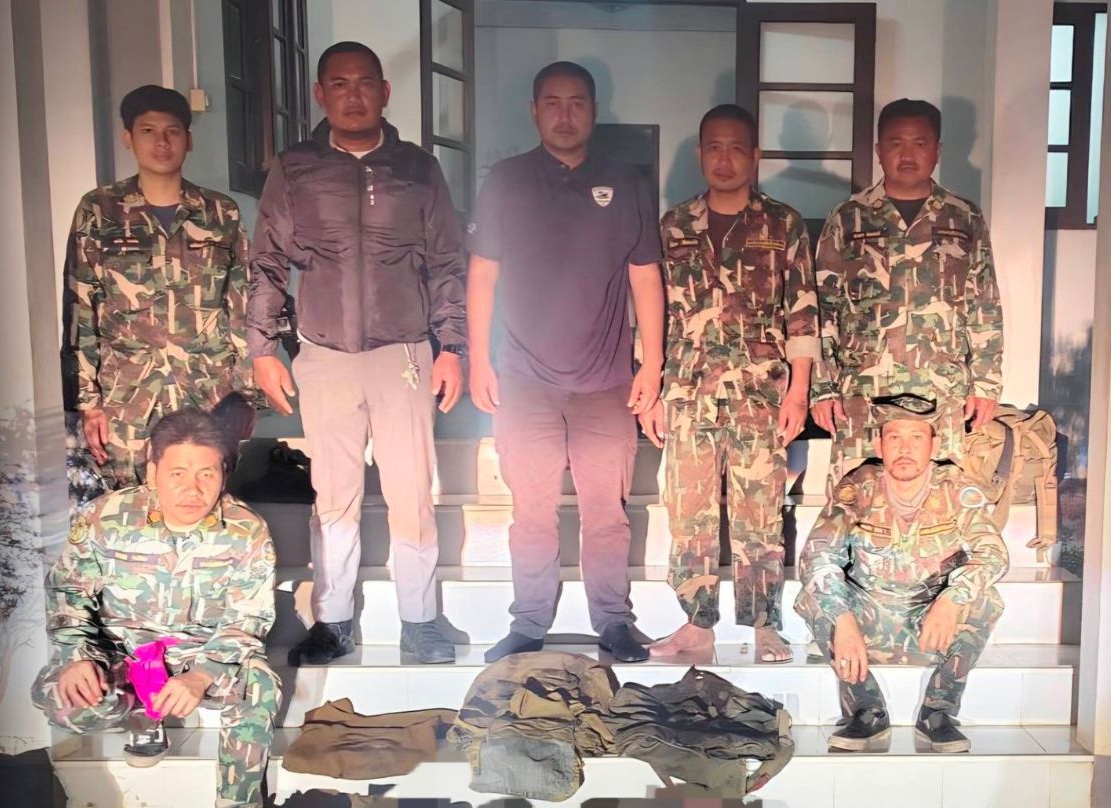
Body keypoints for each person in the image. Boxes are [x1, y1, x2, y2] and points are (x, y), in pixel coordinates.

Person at [247, 41, 470, 666]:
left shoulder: (418, 168)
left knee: (411, 490)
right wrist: (263, 347)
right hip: (324, 353)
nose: (353, 95)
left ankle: (420, 620)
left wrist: (452, 346)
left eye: (365, 82)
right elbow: (267, 260)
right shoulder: (296, 169)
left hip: (405, 352)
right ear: (320, 95)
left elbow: (448, 262)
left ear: (384, 91)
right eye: (339, 84)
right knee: (334, 494)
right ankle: (334, 620)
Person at [467, 61, 666, 664]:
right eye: (552, 102)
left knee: (607, 513)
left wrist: (652, 364)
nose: (564, 114)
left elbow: (645, 277)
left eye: (577, 102)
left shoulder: (625, 182)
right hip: (524, 380)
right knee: (531, 512)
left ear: (594, 111)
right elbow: (482, 273)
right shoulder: (507, 180)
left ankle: (613, 621)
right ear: (534, 111)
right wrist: (478, 358)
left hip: (605, 382)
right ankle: (529, 623)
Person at [31, 409, 280, 808]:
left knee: (261, 684)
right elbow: (69, 592)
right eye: (177, 473)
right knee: (65, 703)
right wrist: (76, 656)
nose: (193, 489)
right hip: (121, 654)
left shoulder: (246, 531)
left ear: (224, 473)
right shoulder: (105, 517)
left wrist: (202, 675)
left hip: (198, 655)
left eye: (207, 474)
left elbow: (247, 620)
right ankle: (142, 714)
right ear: (152, 471)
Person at [649, 104, 819, 665]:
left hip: (760, 396)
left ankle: (765, 624)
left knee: (761, 514)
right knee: (688, 513)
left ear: (755, 156)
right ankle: (696, 625)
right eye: (714, 148)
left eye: (736, 148)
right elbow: (652, 313)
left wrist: (799, 392)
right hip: (688, 393)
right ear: (700, 154)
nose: (724, 160)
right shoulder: (674, 226)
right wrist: (650, 387)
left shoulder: (783, 225)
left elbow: (802, 314)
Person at [794, 394, 1008, 753]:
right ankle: (865, 710)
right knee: (817, 597)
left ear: (933, 446)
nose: (904, 449)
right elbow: (817, 555)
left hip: (930, 618)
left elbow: (994, 554)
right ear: (879, 445)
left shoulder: (954, 488)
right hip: (871, 614)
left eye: (916, 438)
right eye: (894, 438)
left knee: (984, 600)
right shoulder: (859, 486)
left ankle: (938, 712)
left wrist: (952, 599)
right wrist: (843, 620)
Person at [62, 85, 250, 490]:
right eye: (148, 131)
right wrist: (88, 402)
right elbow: (80, 308)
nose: (162, 142)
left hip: (207, 389)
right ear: (128, 137)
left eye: (173, 131)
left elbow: (241, 305)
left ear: (188, 139)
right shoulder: (99, 210)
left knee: (204, 493)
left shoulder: (221, 212)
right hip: (127, 394)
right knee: (130, 499)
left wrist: (245, 396)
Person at [811, 99, 1005, 491]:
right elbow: (823, 308)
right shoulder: (848, 218)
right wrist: (822, 387)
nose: (907, 153)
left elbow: (984, 304)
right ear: (879, 150)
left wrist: (986, 383)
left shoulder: (963, 217)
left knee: (939, 497)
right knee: (858, 495)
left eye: (919, 143)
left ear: (938, 150)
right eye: (895, 143)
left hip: (941, 391)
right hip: (864, 391)